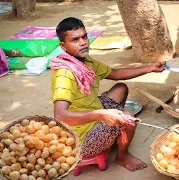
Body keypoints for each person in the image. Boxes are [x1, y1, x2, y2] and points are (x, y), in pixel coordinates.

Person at [50, 17, 165, 171]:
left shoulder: (84, 62)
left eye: (84, 36)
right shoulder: (64, 74)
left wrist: (149, 68)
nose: (83, 42)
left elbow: (115, 73)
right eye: (75, 40)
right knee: (129, 118)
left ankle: (117, 133)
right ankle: (122, 156)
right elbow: (60, 116)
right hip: (81, 138)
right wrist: (100, 115)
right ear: (63, 46)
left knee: (120, 89)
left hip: (93, 110)